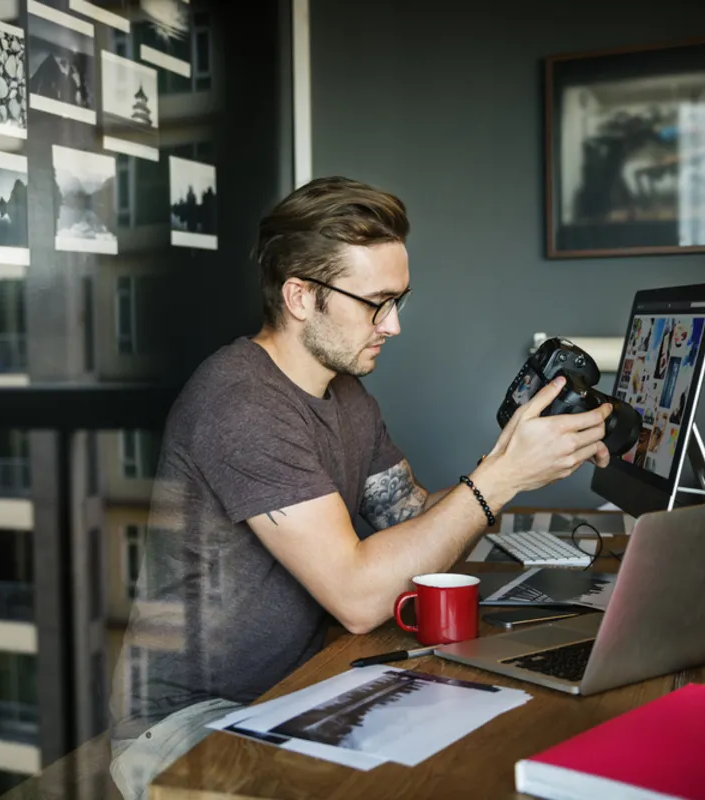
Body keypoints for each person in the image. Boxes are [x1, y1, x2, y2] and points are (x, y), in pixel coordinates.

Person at [107, 177, 612, 800]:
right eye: (376, 302)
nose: (393, 325)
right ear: (299, 296)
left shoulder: (346, 395)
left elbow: (415, 517)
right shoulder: (238, 403)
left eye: (399, 300)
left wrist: (515, 455)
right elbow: (357, 596)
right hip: (187, 723)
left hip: (297, 689)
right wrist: (501, 477)